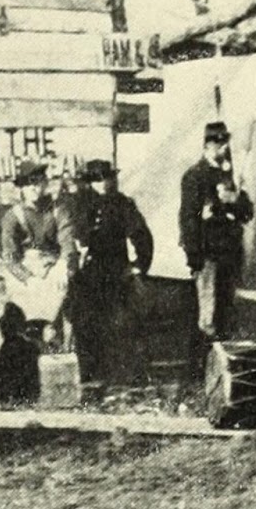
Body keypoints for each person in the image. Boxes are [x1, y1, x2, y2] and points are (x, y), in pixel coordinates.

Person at [66, 158, 153, 386]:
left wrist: (138, 266)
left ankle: (124, 379)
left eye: (107, 178)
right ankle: (89, 377)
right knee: (85, 324)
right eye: (98, 179)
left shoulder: (123, 204)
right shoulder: (78, 205)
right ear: (90, 182)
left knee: (122, 325)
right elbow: (73, 237)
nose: (104, 183)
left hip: (116, 273)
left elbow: (142, 236)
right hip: (87, 276)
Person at [0, 158, 73, 407]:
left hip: (52, 268)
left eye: (39, 183)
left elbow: (68, 243)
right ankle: (14, 377)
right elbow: (9, 257)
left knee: (62, 295)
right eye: (30, 185)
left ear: (45, 184)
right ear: (22, 188)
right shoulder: (13, 216)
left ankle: (60, 359)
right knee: (13, 313)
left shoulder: (58, 210)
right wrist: (28, 279)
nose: (35, 189)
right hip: (25, 272)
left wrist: (63, 267)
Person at [178, 119, 254, 348]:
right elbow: (188, 219)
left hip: (229, 253)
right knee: (207, 314)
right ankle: (204, 365)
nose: (225, 148)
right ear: (208, 145)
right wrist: (194, 255)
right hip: (207, 254)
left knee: (227, 309)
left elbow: (247, 212)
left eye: (226, 143)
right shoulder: (195, 176)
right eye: (220, 144)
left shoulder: (228, 176)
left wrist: (233, 201)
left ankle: (223, 364)